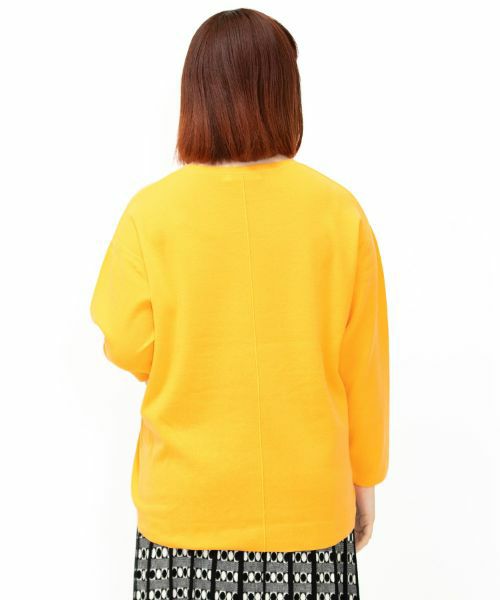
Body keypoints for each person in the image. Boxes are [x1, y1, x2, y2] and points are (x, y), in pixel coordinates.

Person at [90, 8, 390, 600]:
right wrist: (365, 482)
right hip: (309, 509)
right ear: (285, 94)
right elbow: (364, 367)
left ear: (196, 95)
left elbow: (126, 341)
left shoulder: (152, 214)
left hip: (184, 513)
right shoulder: (339, 212)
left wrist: (194, 355)